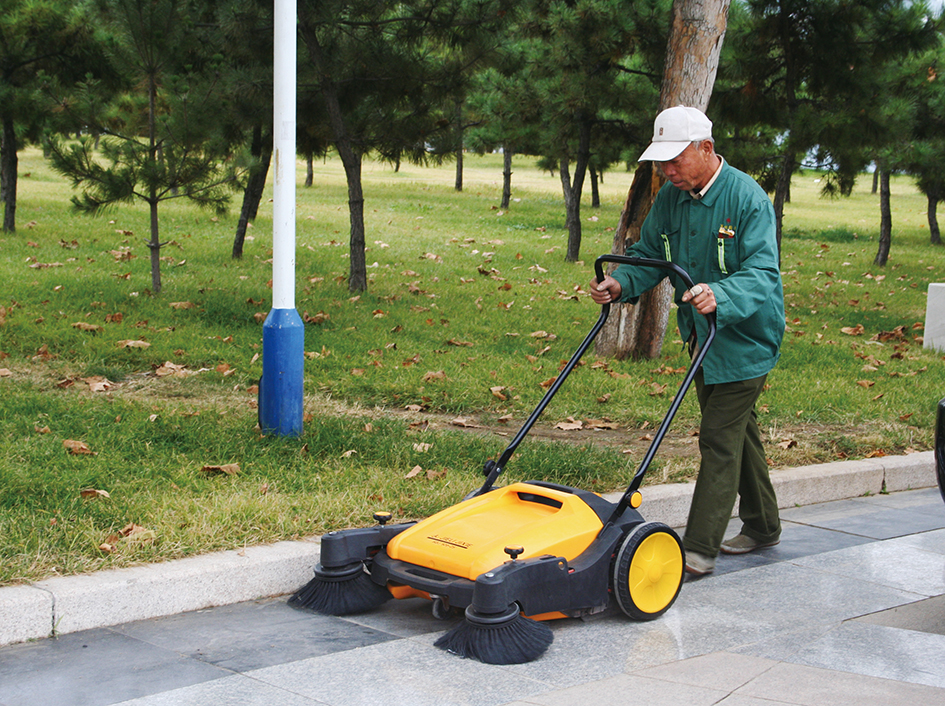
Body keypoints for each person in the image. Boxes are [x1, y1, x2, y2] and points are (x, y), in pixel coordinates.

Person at [590, 105, 785, 576]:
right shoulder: (672, 198)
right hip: (702, 337)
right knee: (740, 433)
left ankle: (698, 549)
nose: (667, 171)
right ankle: (763, 525)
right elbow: (650, 254)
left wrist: (721, 293)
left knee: (719, 438)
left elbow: (762, 273)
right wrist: (619, 284)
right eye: (662, 162)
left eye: (676, 160)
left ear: (706, 149)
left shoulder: (747, 199)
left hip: (746, 338)